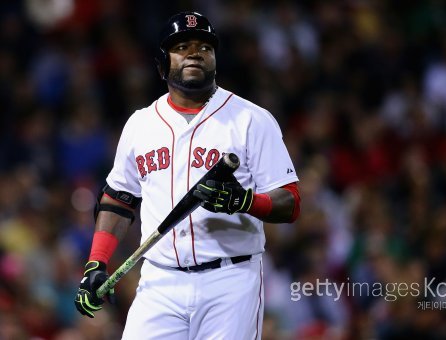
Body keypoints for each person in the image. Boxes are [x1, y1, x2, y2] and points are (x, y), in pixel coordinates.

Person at [74, 11, 300, 339]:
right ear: (162, 64)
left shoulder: (252, 119)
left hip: (230, 281)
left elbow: (290, 202)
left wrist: (245, 201)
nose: (195, 52)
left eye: (204, 47)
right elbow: (118, 199)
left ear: (215, 61)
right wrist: (97, 262)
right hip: (159, 282)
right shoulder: (141, 124)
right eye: (181, 46)